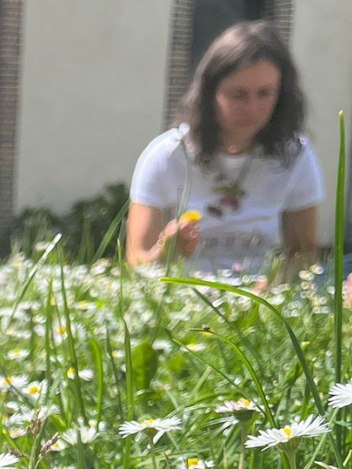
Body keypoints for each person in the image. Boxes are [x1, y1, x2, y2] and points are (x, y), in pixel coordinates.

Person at [127, 20, 323, 283]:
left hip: (259, 304)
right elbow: (136, 262)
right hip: (184, 302)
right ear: (210, 93)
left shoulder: (296, 155)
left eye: (265, 93)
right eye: (238, 95)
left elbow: (304, 255)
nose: (253, 109)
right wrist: (166, 252)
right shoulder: (167, 156)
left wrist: (274, 285)